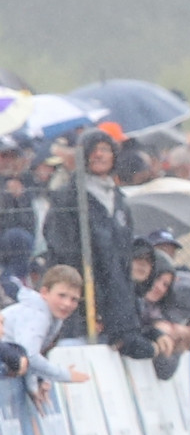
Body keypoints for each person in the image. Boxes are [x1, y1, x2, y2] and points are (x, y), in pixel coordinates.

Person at [43, 128, 161, 359]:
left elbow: (123, 256)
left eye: (105, 150)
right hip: (81, 299)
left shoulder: (119, 200)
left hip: (116, 294)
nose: (99, 155)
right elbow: (63, 252)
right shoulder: (67, 197)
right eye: (93, 150)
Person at [1, 264, 95, 396]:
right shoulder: (38, 316)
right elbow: (30, 356)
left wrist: (39, 382)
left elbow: (28, 355)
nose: (67, 304)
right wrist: (65, 375)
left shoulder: (53, 316)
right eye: (61, 295)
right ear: (44, 293)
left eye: (74, 299)